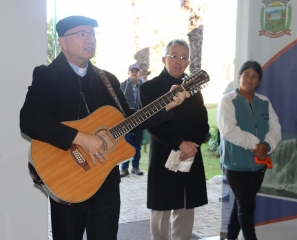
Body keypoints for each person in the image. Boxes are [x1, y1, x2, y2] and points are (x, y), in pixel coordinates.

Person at [19, 16, 189, 240]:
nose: (89, 39)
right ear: (63, 42)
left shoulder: (106, 79)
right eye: (81, 34)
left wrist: (166, 105)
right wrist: (80, 138)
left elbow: (128, 118)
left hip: (106, 180)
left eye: (91, 34)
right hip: (66, 179)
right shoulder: (47, 76)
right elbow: (30, 120)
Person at [139, 39, 209, 240]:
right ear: (164, 59)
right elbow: (153, 124)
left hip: (190, 156)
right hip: (164, 155)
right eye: (174, 56)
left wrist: (191, 146)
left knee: (185, 212)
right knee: (161, 214)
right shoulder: (149, 89)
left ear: (188, 63)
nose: (179, 61)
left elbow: (203, 122)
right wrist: (180, 144)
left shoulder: (194, 87)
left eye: (184, 57)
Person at [217, 61, 281, 240]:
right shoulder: (227, 101)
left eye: (254, 76)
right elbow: (229, 130)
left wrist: (267, 145)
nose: (249, 79)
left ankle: (230, 237)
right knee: (247, 206)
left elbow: (275, 129)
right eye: (246, 74)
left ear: (259, 81)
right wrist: (256, 145)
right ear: (239, 77)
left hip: (258, 166)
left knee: (242, 203)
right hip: (236, 165)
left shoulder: (264, 102)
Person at [119, 63, 144, 177]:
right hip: (126, 122)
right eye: (132, 71)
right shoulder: (122, 86)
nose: (134, 73)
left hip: (140, 121)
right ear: (128, 73)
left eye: (136, 71)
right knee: (126, 145)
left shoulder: (144, 87)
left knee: (137, 146)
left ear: (139, 74)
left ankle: (135, 167)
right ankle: (124, 168)